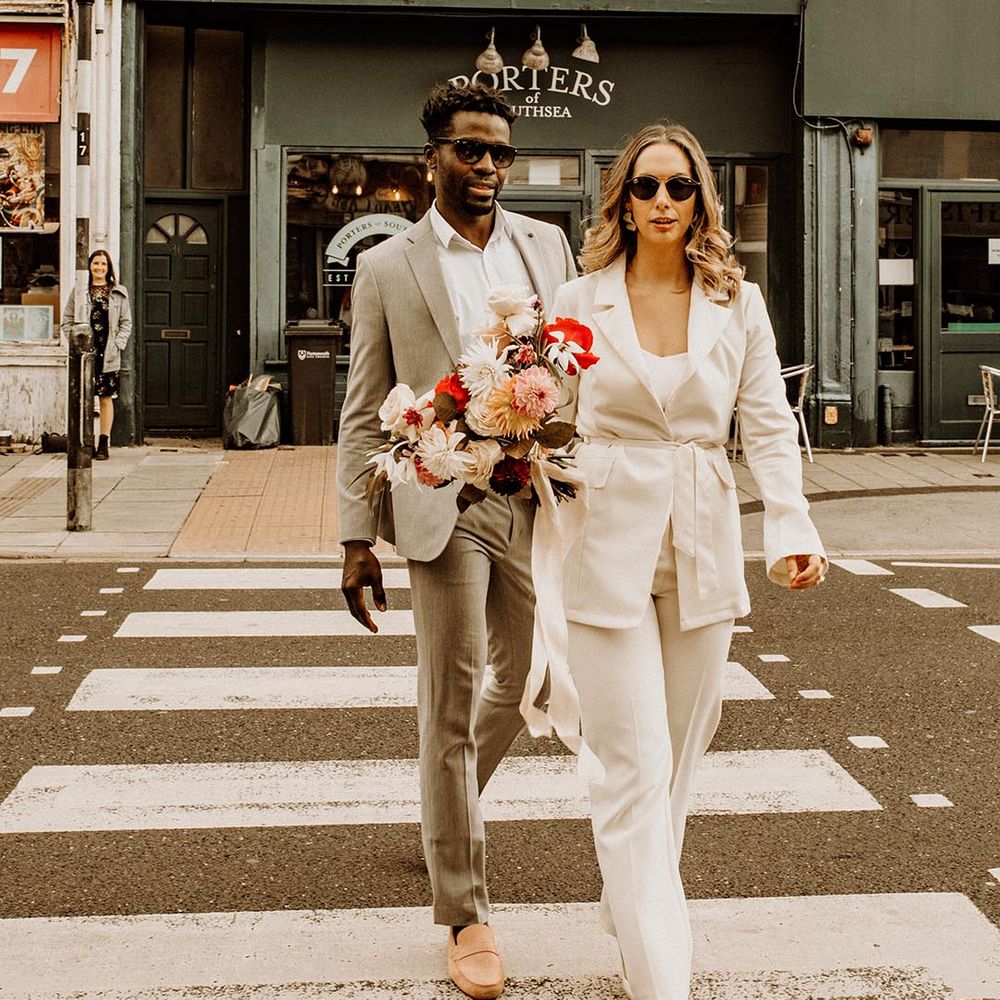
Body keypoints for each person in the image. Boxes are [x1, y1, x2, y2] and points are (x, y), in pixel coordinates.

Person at [545, 122, 827, 1000]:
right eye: (645, 187)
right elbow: (540, 416)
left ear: (701, 199)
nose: (662, 202)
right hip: (604, 541)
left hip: (705, 537)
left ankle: (630, 904)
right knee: (631, 764)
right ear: (621, 201)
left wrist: (791, 527)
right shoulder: (575, 298)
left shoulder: (736, 302)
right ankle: (662, 974)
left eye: (678, 187)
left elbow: (768, 425)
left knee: (679, 756)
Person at [336, 82, 577, 1000]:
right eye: (469, 151)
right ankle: (466, 913)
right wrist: (356, 536)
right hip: (443, 500)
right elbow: (363, 410)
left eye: (500, 154)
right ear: (430, 157)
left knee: (525, 683)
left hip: (535, 492)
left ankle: (448, 814)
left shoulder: (543, 246)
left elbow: (577, 361)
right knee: (453, 697)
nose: (487, 168)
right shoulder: (390, 267)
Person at [61, 250, 132, 460]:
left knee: (105, 398)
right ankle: (86, 442)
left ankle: (103, 443)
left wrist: (118, 345)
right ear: (90, 266)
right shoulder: (80, 291)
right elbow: (67, 320)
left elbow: (125, 323)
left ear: (108, 268)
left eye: (103, 264)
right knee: (84, 399)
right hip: (85, 354)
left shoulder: (119, 293)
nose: (99, 268)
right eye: (95, 263)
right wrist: (75, 343)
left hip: (108, 354)